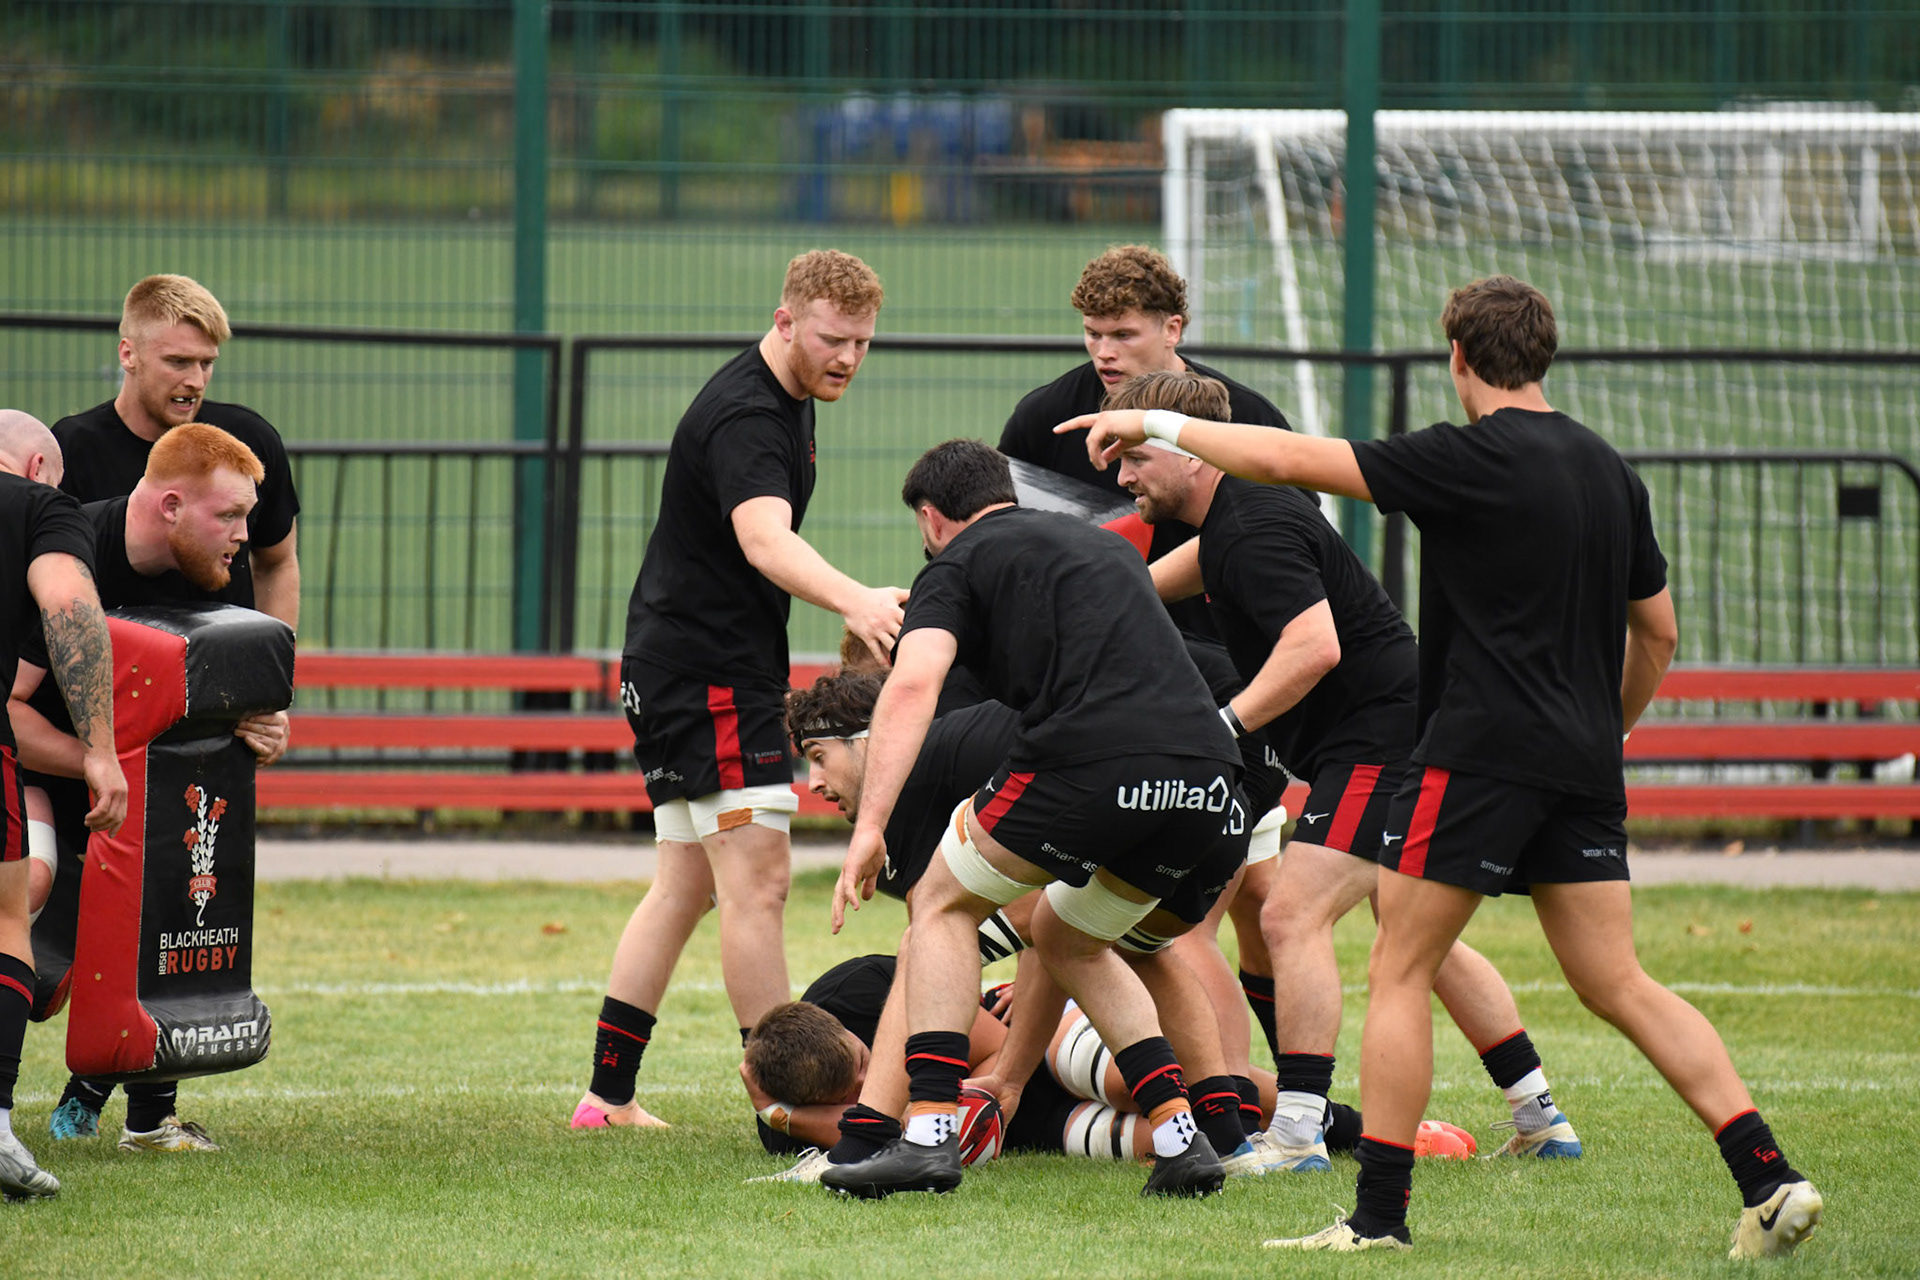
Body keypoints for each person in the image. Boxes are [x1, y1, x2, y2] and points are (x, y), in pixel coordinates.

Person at [1058, 276, 1822, 1259]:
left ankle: (1375, 1214)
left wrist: (1161, 412)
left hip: (1472, 753)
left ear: (1458, 355)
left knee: (1399, 965)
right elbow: (1659, 633)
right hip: (1581, 761)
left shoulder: (1461, 456)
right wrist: (1607, 731)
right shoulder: (1607, 468)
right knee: (1620, 980)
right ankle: (1770, 1176)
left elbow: (1287, 456)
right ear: (1543, 355)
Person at [1106, 368, 1574, 1173]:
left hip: (1379, 740)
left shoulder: (1248, 527)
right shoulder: (1232, 520)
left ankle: (1294, 1134)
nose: (1121, 478)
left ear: (1190, 454)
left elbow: (1313, 646)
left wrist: (1226, 726)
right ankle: (1539, 1113)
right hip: (1399, 730)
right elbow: (1138, 589)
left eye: (1133, 457)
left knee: (1290, 915)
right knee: (1411, 924)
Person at [822, 439, 1243, 1200]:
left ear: (931, 517)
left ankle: (926, 1136)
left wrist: (869, 826)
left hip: (1095, 760)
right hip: (1213, 778)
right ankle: (1184, 1138)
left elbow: (912, 684)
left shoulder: (953, 562)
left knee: (939, 902)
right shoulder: (1103, 548)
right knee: (1067, 935)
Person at [575, 250, 906, 1131]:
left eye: (864, 344)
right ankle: (794, 1104)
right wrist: (857, 600)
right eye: (834, 340)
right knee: (757, 883)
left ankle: (607, 1099)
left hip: (680, 667)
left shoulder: (787, 396)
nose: (848, 358)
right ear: (786, 320)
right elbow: (765, 540)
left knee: (682, 885)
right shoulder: (750, 414)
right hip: (708, 678)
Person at [11, 423, 290, 1154]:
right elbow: (8, 710)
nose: (243, 535)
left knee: (177, 918)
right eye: (228, 516)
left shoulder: (219, 570)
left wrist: (263, 729)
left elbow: (231, 713)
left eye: (247, 516)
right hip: (46, 774)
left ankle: (145, 1118)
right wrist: (100, 762)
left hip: (146, 802)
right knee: (35, 966)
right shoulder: (77, 549)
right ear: (169, 506)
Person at [997, 244, 1292, 637]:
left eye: (1123, 335)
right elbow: (993, 526)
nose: (1104, 353)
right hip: (1086, 643)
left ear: (1173, 329)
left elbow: (1284, 537)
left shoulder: (1247, 419)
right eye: (1092, 334)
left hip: (1221, 647)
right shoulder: (1045, 418)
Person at [0, 410, 126, 1199]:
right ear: (41, 465)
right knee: (9, 914)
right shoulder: (39, 506)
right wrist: (100, 751)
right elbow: (72, 610)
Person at [51, 275, 301, 630]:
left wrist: (275, 670)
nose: (196, 381)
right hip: (115, 676)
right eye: (178, 362)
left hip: (225, 678)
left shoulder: (248, 441)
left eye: (207, 363)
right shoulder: (72, 448)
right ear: (128, 354)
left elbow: (277, 561)